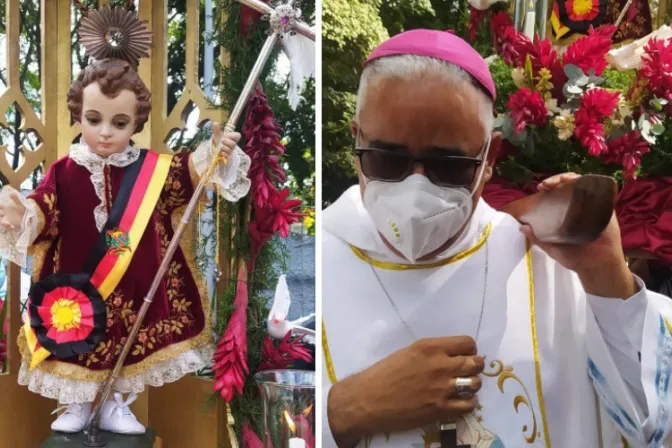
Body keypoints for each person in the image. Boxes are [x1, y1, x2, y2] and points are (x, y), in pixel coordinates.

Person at [321, 29, 672, 447]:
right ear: (356, 139)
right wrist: (343, 410)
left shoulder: (551, 260)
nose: (415, 188)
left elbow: (651, 424)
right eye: (386, 158)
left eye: (448, 165)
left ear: (490, 158)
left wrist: (607, 279)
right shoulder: (323, 256)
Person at [0, 57, 250, 434]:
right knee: (78, 336)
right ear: (78, 116)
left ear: (136, 123)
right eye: (94, 119)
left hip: (136, 285)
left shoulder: (152, 170)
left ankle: (115, 404)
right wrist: (24, 217)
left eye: (119, 123)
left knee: (127, 339)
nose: (105, 132)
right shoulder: (64, 171)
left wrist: (216, 153)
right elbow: (44, 208)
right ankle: (77, 402)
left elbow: (192, 175)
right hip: (78, 279)